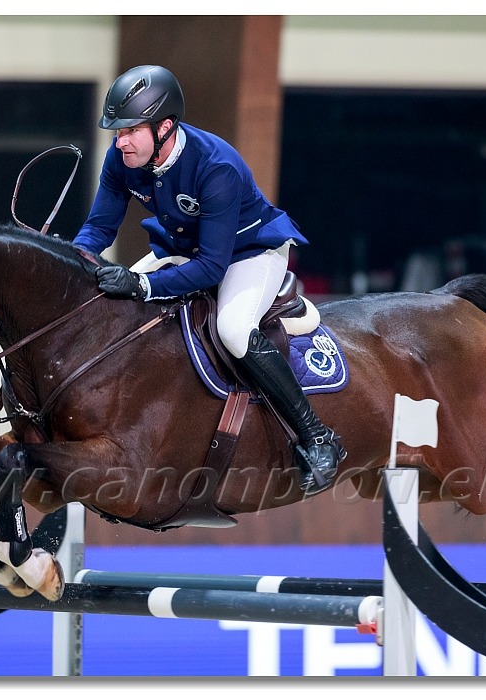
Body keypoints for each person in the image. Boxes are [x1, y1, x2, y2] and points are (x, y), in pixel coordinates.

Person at [73, 65, 345, 495]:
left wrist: (142, 286)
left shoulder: (217, 167)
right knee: (106, 309)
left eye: (129, 130)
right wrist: (75, 260)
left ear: (165, 127)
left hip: (248, 252)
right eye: (116, 131)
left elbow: (212, 269)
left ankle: (317, 436)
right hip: (184, 250)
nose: (119, 140)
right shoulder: (123, 158)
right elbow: (99, 228)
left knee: (233, 329)